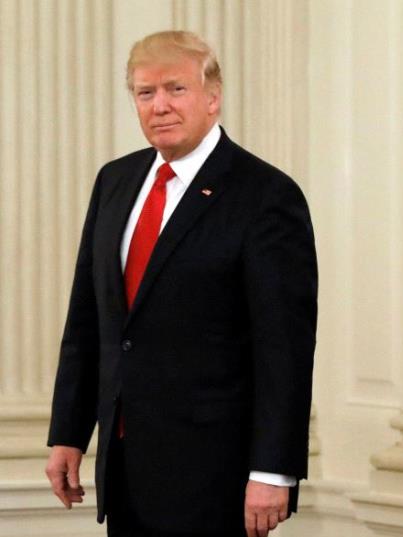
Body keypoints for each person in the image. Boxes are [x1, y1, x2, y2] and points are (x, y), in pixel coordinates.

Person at [45, 30, 317, 537]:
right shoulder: (115, 181)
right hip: (125, 469)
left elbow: (285, 348)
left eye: (176, 89)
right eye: (145, 93)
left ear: (212, 98)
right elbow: (88, 318)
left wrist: (273, 470)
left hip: (217, 476)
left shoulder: (265, 195)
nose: (160, 106)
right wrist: (68, 433)